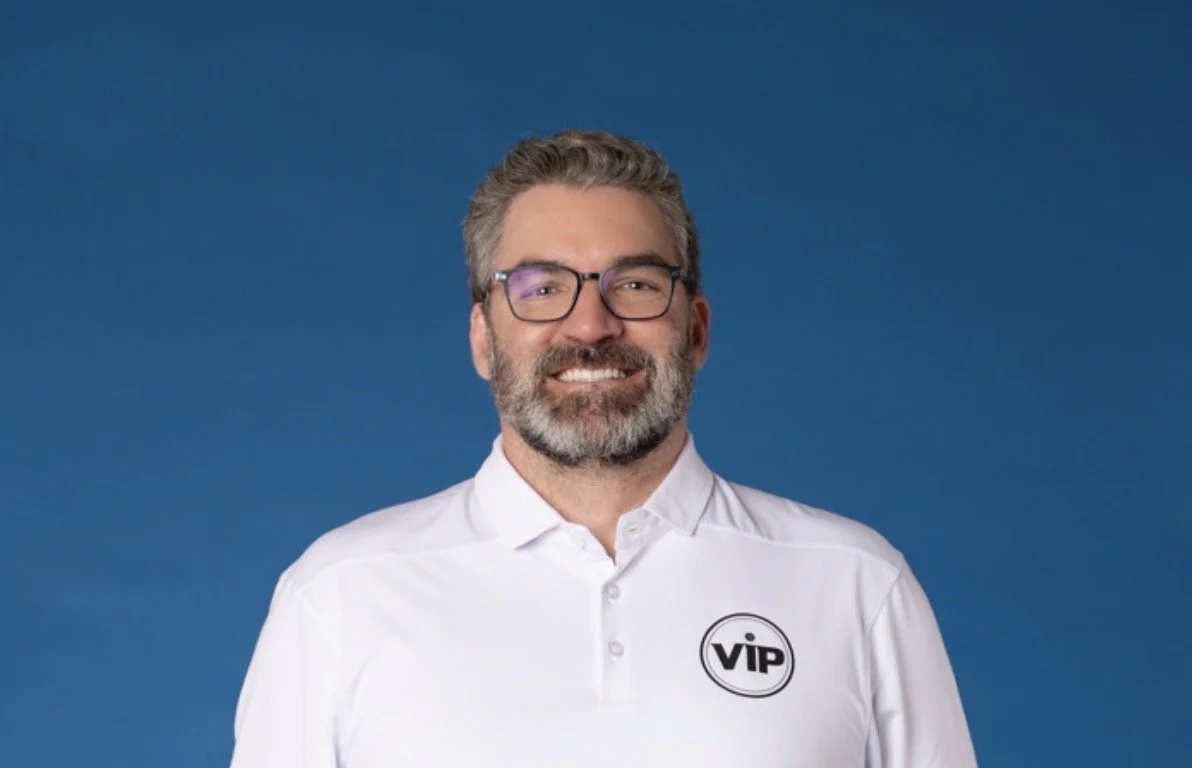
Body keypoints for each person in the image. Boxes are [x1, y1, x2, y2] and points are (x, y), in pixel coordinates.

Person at [229, 130, 978, 767]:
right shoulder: (340, 596)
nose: (590, 326)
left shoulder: (855, 586)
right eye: (540, 287)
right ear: (483, 338)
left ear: (697, 330)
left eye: (637, 284)